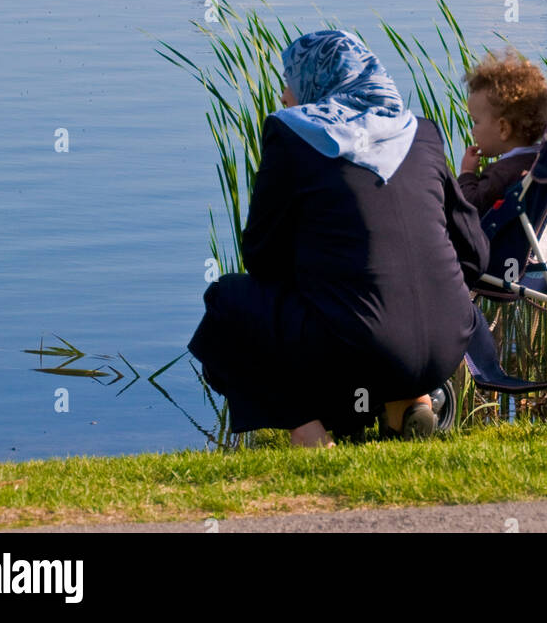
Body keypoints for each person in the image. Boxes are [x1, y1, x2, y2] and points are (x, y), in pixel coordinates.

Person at [187, 29, 489, 447]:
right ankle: (408, 402)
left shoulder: (292, 135)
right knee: (373, 316)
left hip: (358, 347)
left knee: (226, 303)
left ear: (317, 83)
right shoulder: (423, 133)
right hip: (450, 338)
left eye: (289, 82)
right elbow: (474, 252)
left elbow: (261, 256)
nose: (284, 96)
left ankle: (310, 434)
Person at [458, 49, 547, 215]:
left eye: (476, 122)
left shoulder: (502, 174)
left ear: (503, 129)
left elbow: (469, 210)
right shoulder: (544, 162)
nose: (473, 131)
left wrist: (467, 174)